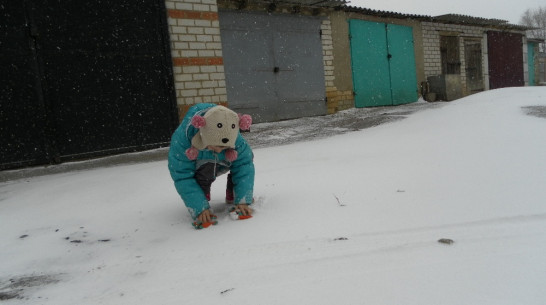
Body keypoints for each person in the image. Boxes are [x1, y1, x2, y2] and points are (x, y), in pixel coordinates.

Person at [168, 103, 255, 228]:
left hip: (223, 162)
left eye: (225, 147)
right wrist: (199, 208)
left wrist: (243, 199)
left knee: (243, 158)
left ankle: (234, 192)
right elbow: (182, 176)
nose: (220, 151)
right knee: (205, 171)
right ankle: (202, 195)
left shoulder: (232, 135)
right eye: (217, 146)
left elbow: (244, 164)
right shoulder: (182, 142)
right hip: (200, 164)